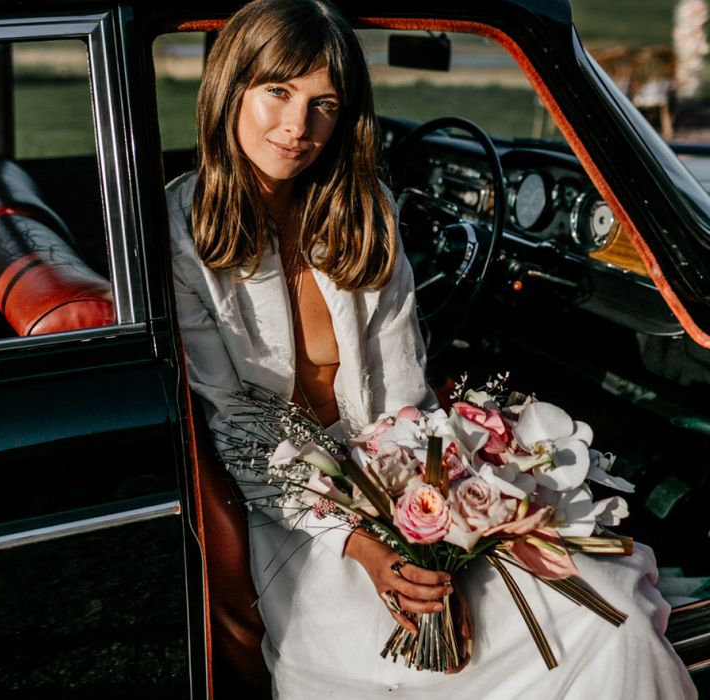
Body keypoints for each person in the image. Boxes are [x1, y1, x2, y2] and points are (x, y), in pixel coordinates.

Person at [167, 0, 698, 697]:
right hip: (288, 516)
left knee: (610, 615)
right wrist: (363, 546)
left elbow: (403, 396)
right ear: (230, 87)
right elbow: (235, 418)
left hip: (395, 479)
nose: (298, 127)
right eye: (277, 91)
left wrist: (433, 517)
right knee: (399, 664)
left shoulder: (368, 211)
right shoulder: (185, 228)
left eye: (324, 103)